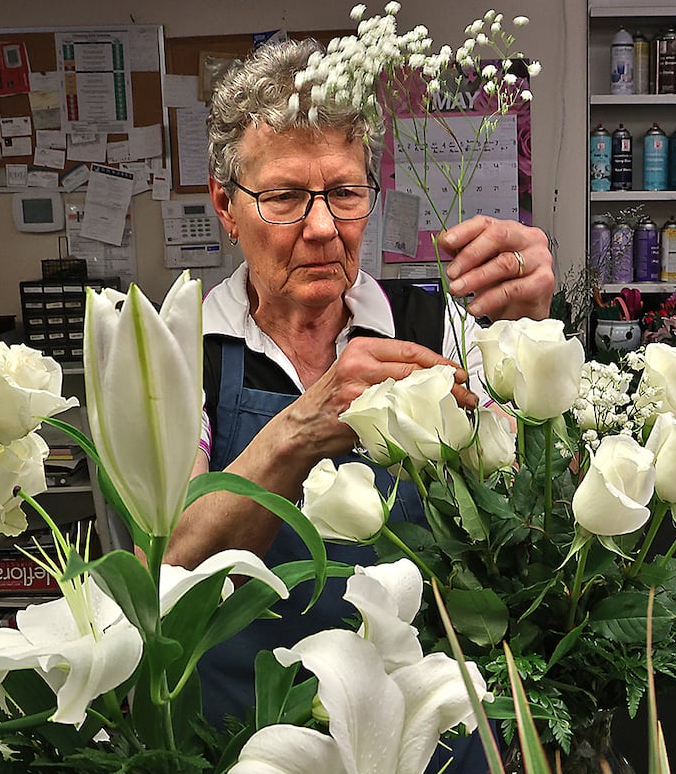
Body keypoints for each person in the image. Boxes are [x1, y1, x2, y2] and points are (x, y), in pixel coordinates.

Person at [164, 38, 555, 730]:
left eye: (344, 193)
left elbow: (530, 526)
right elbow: (164, 563)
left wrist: (530, 343)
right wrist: (298, 432)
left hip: (419, 736)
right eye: (284, 196)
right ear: (225, 205)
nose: (322, 228)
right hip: (237, 748)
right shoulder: (184, 347)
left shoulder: (437, 329)